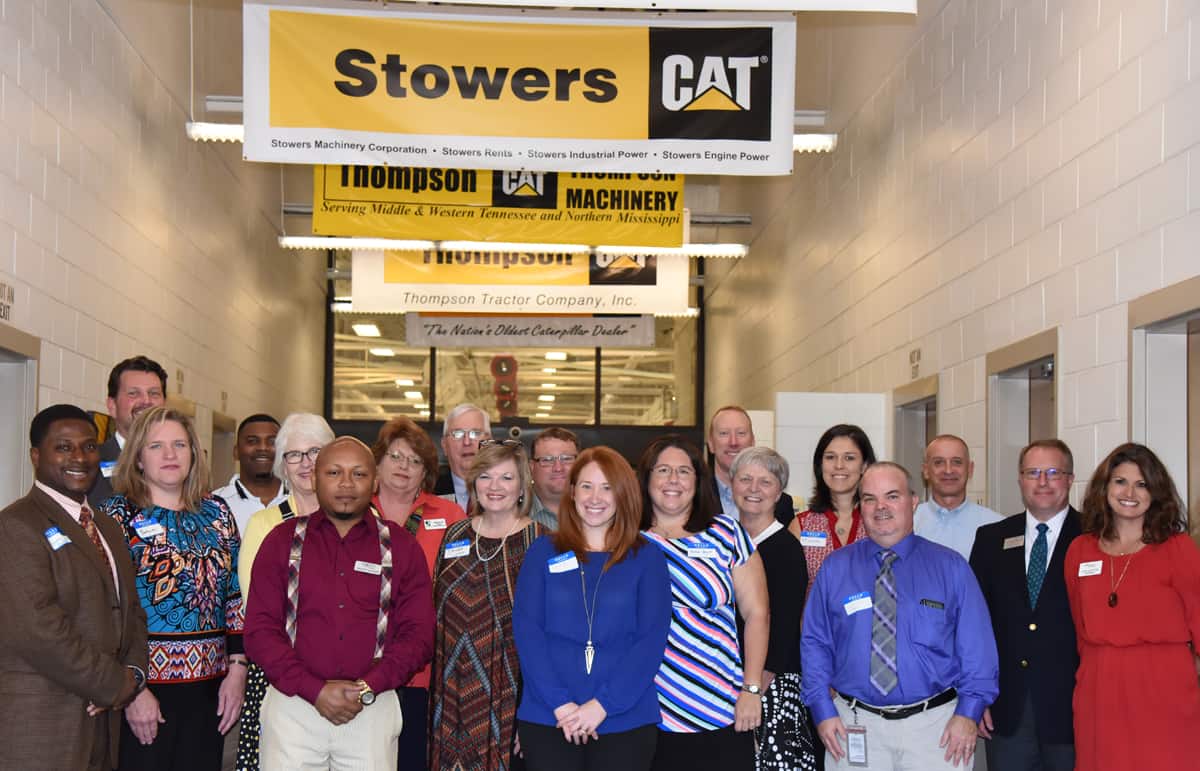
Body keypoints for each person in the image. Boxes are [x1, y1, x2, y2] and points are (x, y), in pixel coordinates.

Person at [244, 437, 435, 769]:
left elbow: (419, 635)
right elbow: (260, 631)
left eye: (358, 474)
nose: (346, 484)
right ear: (315, 479)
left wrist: (368, 686)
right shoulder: (281, 542)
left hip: (372, 709)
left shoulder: (402, 547)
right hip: (293, 706)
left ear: (374, 482)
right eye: (334, 473)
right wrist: (313, 689)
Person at [801, 462, 998, 770]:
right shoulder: (835, 568)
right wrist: (822, 710)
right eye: (870, 499)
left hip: (937, 731)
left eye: (892, 496)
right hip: (853, 725)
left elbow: (978, 649)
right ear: (861, 506)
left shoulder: (951, 568)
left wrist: (968, 714)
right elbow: (815, 642)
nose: (881, 507)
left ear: (914, 501)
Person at [0, 405, 148, 771]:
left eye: (89, 446)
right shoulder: (16, 525)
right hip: (45, 726)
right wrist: (112, 684)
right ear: (36, 456)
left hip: (102, 728)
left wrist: (133, 674)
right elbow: (38, 629)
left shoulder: (107, 527)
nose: (80, 458)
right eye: (63, 447)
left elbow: (131, 611)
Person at [101, 406, 246, 771]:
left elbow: (234, 596)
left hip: (211, 692)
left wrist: (238, 670)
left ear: (193, 453)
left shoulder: (217, 512)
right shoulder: (116, 516)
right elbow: (106, 609)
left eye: (179, 444)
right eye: (156, 446)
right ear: (138, 458)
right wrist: (132, 690)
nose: (170, 454)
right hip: (144, 689)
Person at [513, 446, 672, 770]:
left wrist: (602, 706)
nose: (595, 498)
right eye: (586, 486)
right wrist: (561, 705)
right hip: (549, 717)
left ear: (623, 494)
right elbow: (528, 633)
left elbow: (651, 641)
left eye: (607, 487)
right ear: (572, 492)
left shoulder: (647, 557)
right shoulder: (542, 552)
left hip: (624, 719)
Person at [1064, 443, 1200, 771]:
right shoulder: (1080, 551)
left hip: (1164, 689)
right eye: (1120, 481)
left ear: (1156, 492)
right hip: (1098, 690)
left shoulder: (1178, 549)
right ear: (1105, 487)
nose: (1129, 493)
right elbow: (1079, 628)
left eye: (1142, 484)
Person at [639, 435, 769, 771]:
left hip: (722, 705)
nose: (673, 479)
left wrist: (751, 689)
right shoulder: (627, 540)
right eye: (663, 470)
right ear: (647, 478)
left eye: (684, 471)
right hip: (648, 709)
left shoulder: (726, 533)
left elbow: (757, 614)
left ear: (698, 481)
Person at [430, 439, 543, 770]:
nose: (495, 487)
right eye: (485, 476)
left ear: (522, 486)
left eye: (506, 478)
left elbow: (552, 636)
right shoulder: (454, 536)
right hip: (448, 700)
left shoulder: (543, 542)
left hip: (512, 699)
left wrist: (535, 711)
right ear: (473, 482)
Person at [969, 439, 1080, 771]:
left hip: (1074, 711)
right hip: (1007, 711)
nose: (1042, 482)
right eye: (1033, 473)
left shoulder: (1094, 537)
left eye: (1053, 472)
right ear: (1020, 479)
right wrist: (975, 696)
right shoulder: (990, 538)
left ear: (1070, 479)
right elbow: (974, 626)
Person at [233, 412, 334, 771]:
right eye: (294, 455)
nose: (306, 463)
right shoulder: (264, 525)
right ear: (282, 466)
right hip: (281, 674)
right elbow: (257, 608)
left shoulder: (360, 518)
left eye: (315, 451)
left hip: (345, 675)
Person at [370, 416, 466, 769]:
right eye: (395, 456)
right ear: (378, 461)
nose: (404, 466)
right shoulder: (356, 509)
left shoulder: (450, 515)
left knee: (413, 758)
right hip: (361, 665)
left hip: (424, 668)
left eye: (414, 461)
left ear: (426, 471)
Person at [728, 447, 819, 771]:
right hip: (734, 680)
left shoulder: (785, 548)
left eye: (765, 482)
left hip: (770, 684)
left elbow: (783, 629)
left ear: (779, 492)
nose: (754, 489)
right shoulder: (725, 540)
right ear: (732, 484)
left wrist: (753, 689)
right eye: (746, 479)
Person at [788, 424, 877, 589]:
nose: (839, 465)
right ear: (820, 465)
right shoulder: (801, 525)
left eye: (849, 458)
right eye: (830, 457)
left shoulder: (879, 521)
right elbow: (791, 589)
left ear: (864, 466)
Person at [88, 355, 167, 508]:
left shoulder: (180, 464)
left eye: (154, 393)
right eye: (133, 393)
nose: (146, 401)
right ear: (112, 406)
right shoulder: (90, 464)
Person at [913, 435, 1002, 559]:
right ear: (926, 470)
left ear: (970, 469)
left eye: (957, 462)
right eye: (939, 462)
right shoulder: (908, 523)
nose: (948, 470)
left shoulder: (996, 525)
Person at [707, 406, 796, 525]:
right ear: (711, 444)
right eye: (724, 433)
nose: (733, 442)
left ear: (753, 442)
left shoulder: (781, 503)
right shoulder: (694, 497)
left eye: (741, 433)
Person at [212, 413, 288, 536]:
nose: (263, 448)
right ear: (236, 452)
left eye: (272, 442)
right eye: (252, 441)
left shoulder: (302, 500)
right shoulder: (214, 504)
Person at [436, 402, 493, 509]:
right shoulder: (427, 491)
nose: (467, 442)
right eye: (457, 434)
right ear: (444, 445)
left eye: (475, 433)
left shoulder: (507, 491)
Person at [528, 426, 580, 531]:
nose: (558, 468)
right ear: (532, 467)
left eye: (566, 459)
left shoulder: (598, 511)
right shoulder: (512, 514)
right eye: (547, 460)